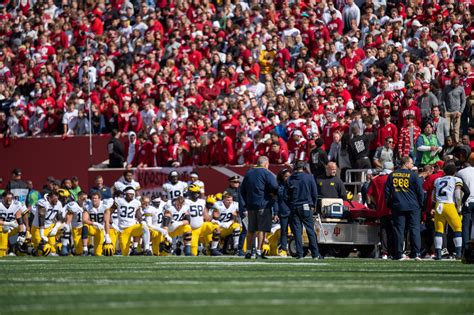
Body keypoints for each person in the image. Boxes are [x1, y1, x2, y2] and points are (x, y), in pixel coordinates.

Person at [385, 156, 424, 260]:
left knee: (399, 230)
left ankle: (398, 253)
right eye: (411, 163)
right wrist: (420, 204)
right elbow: (420, 192)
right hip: (413, 205)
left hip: (398, 205)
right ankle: (416, 253)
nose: (412, 165)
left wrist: (390, 205)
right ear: (406, 163)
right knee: (415, 229)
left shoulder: (392, 175)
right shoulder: (413, 175)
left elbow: (387, 192)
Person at [240, 156, 278, 259]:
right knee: (261, 229)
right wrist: (272, 195)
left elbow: (242, 190)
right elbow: (275, 186)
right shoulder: (266, 173)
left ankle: (248, 251)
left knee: (251, 229)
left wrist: (248, 202)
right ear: (266, 164)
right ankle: (259, 252)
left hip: (251, 205)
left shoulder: (248, 173)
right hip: (263, 205)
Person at [432, 163, 470, 260]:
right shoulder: (456, 179)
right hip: (449, 205)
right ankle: (458, 253)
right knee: (457, 228)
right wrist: (459, 207)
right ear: (454, 172)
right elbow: (457, 195)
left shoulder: (438, 180)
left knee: (439, 230)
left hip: (439, 205)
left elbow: (433, 197)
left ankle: (438, 254)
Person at [286, 160, 322, 259]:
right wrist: (313, 205)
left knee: (297, 232)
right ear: (304, 167)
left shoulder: (290, 179)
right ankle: (315, 253)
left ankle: (300, 253)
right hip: (306, 206)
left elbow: (287, 195)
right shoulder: (309, 177)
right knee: (310, 230)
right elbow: (314, 193)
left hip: (294, 206)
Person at [104, 186, 151, 256]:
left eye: (133, 194)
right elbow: (109, 211)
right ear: (125, 194)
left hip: (132, 227)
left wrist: (142, 221)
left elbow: (138, 213)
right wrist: (110, 221)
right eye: (130, 194)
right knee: (125, 253)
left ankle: (147, 249)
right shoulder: (119, 201)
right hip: (123, 230)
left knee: (145, 227)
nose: (132, 195)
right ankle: (132, 251)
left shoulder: (136, 202)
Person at [367, 162, 394, 259]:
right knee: (393, 230)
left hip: (381, 209)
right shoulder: (392, 178)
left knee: (384, 231)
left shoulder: (376, 179)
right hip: (392, 208)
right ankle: (392, 251)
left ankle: (384, 252)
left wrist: (377, 203)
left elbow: (369, 194)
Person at [0, 191, 28, 256]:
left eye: (11, 198)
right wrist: (8, 223)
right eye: (8, 198)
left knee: (23, 227)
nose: (9, 200)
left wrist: (21, 234)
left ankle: (14, 248)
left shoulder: (16, 204)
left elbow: (20, 221)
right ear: (3, 198)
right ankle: (4, 249)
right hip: (2, 227)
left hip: (11, 226)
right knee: (4, 229)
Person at [456, 162, 474, 252]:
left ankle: (466, 248)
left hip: (468, 201)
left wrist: (460, 203)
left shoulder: (460, 173)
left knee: (466, 226)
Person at [274, 168, 292, 257]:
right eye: (285, 176)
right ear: (282, 177)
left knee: (296, 231)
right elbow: (276, 201)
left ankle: (297, 249)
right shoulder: (278, 186)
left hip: (293, 211)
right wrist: (276, 213)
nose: (287, 178)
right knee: (284, 231)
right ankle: (283, 249)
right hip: (283, 211)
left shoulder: (293, 185)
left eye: (289, 176)